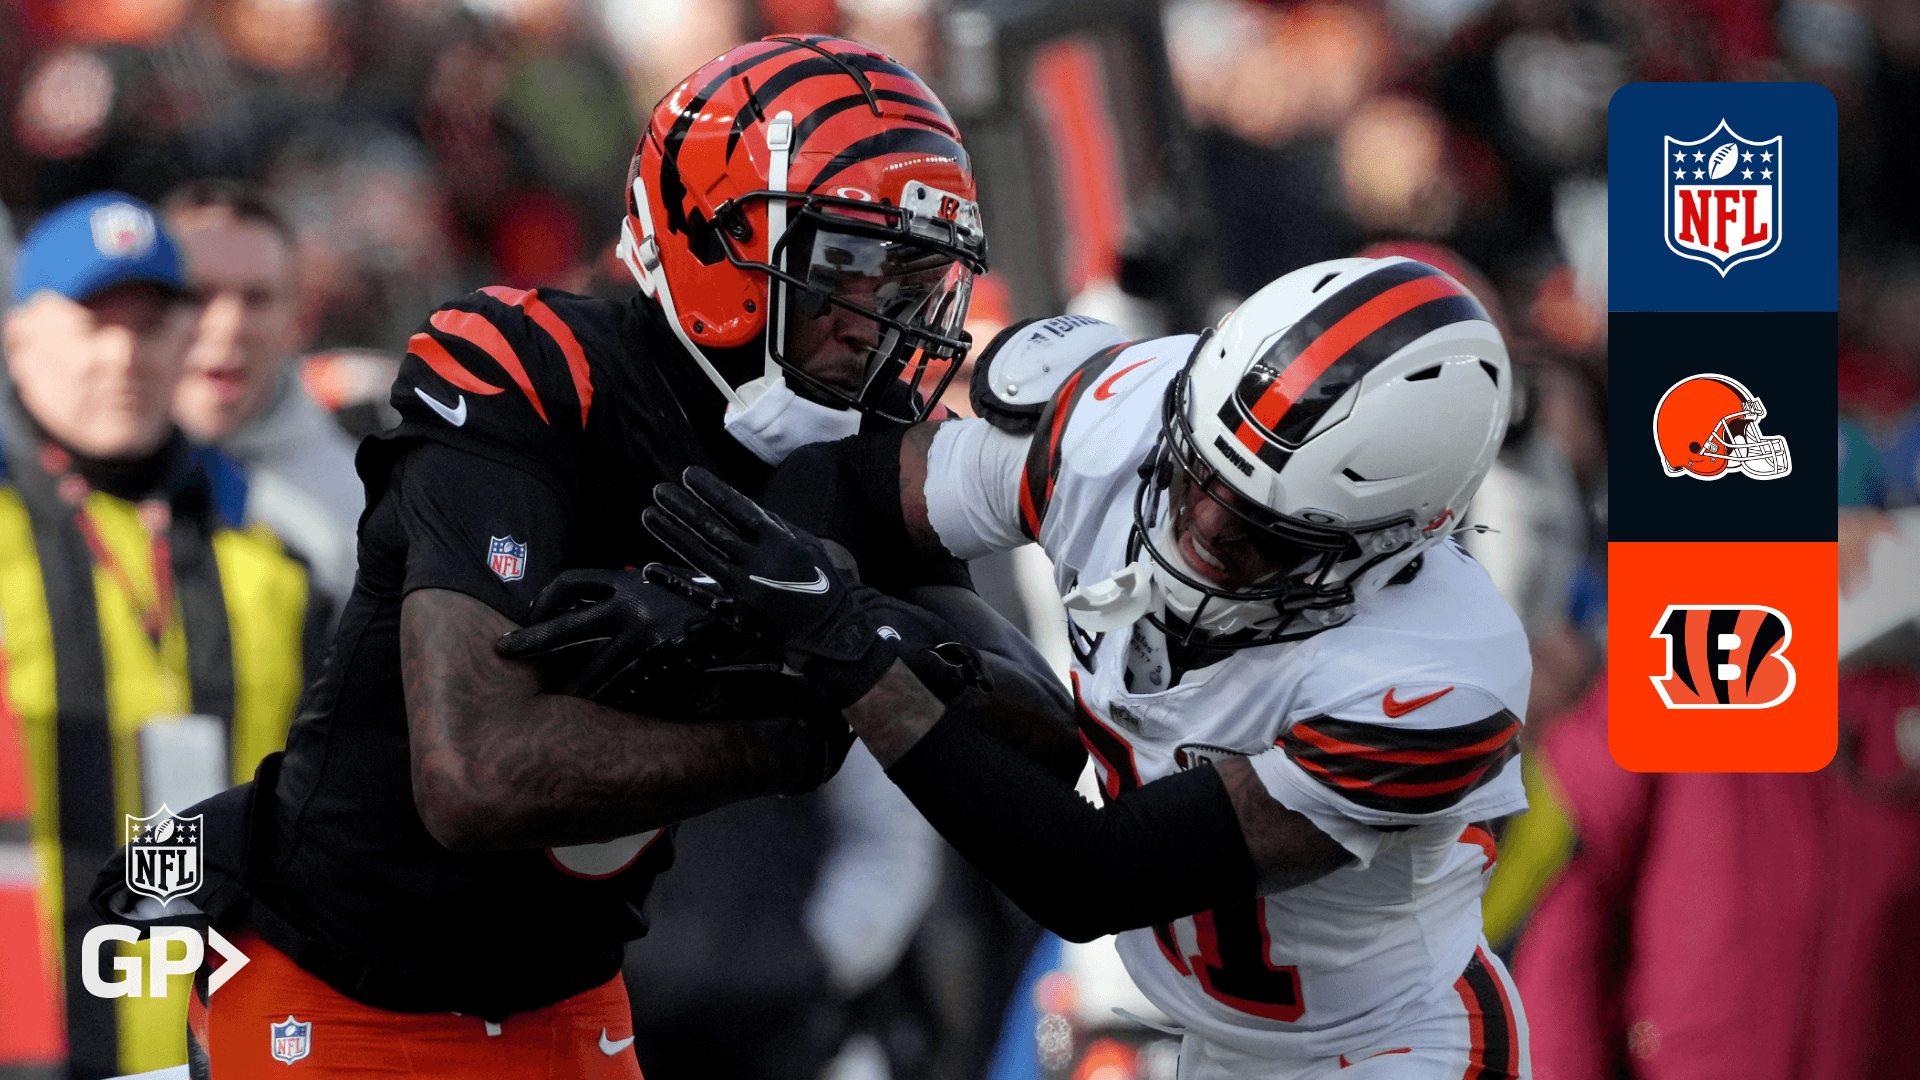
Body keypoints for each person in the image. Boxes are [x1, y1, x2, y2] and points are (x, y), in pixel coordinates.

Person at [89, 36, 1069, 1079]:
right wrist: (811, 722)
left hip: (569, 993)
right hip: (339, 985)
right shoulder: (534, 367)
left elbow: (1044, 737)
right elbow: (475, 779)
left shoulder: (846, 445)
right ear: (718, 241)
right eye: (852, 266)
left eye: (916, 281)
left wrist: (831, 633)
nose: (883, 322)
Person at [640, 255, 1534, 1077]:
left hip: (1384, 1046)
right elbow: (849, 488)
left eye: (1261, 529)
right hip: (1200, 1039)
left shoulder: (1432, 681)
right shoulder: (1125, 426)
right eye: (1195, 474)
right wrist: (731, 606)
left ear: (1384, 547)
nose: (1201, 528)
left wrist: (853, 653)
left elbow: (1096, 876)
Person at [3, 192, 322, 1079]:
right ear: (19, 336)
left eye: (150, 325)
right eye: (94, 322)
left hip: (232, 1046)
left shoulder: (279, 553)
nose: (124, 355)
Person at [162, 180, 363, 612]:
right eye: (197, 294)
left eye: (257, 299)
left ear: (300, 322)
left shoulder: (369, 511)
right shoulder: (62, 480)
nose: (229, 324)